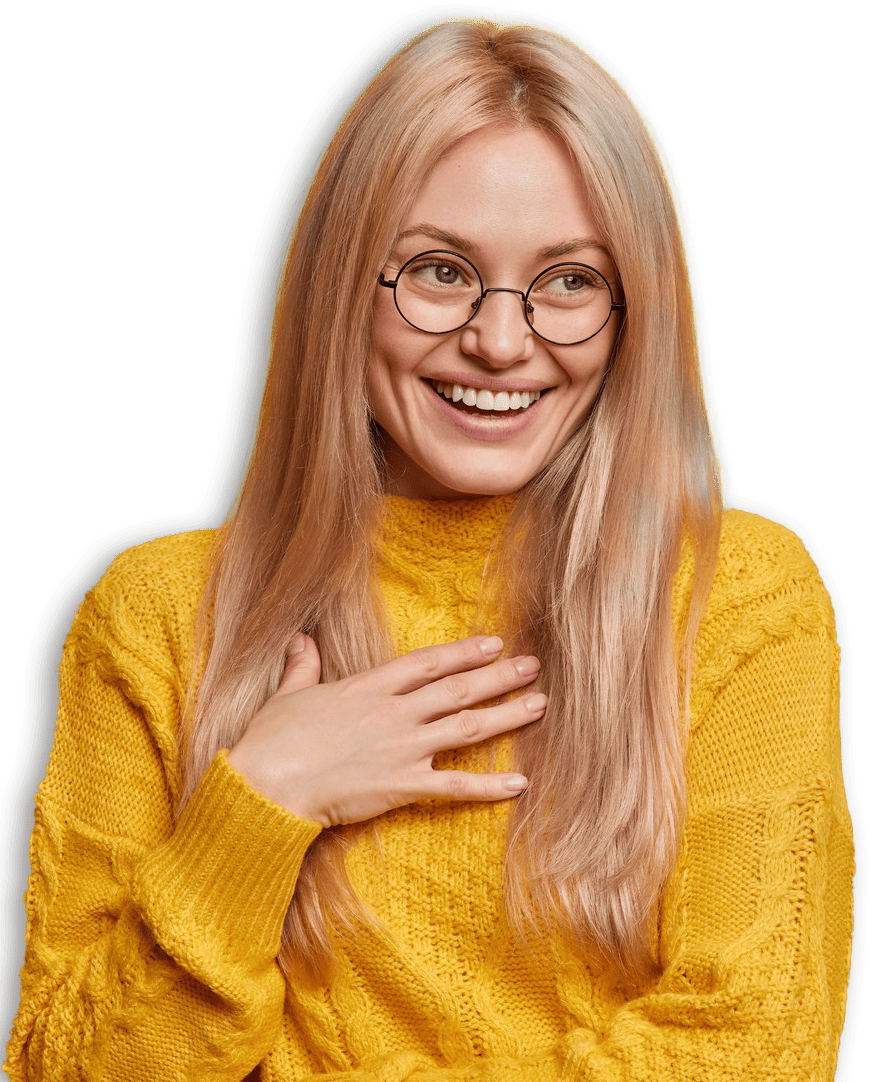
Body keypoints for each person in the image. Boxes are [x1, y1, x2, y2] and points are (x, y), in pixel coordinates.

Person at [3, 16, 855, 1082]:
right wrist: (259, 802)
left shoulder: (740, 594)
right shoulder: (155, 616)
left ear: (633, 312)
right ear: (339, 286)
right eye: (439, 271)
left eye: (571, 281)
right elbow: (65, 1068)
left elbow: (755, 1048)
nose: (500, 341)